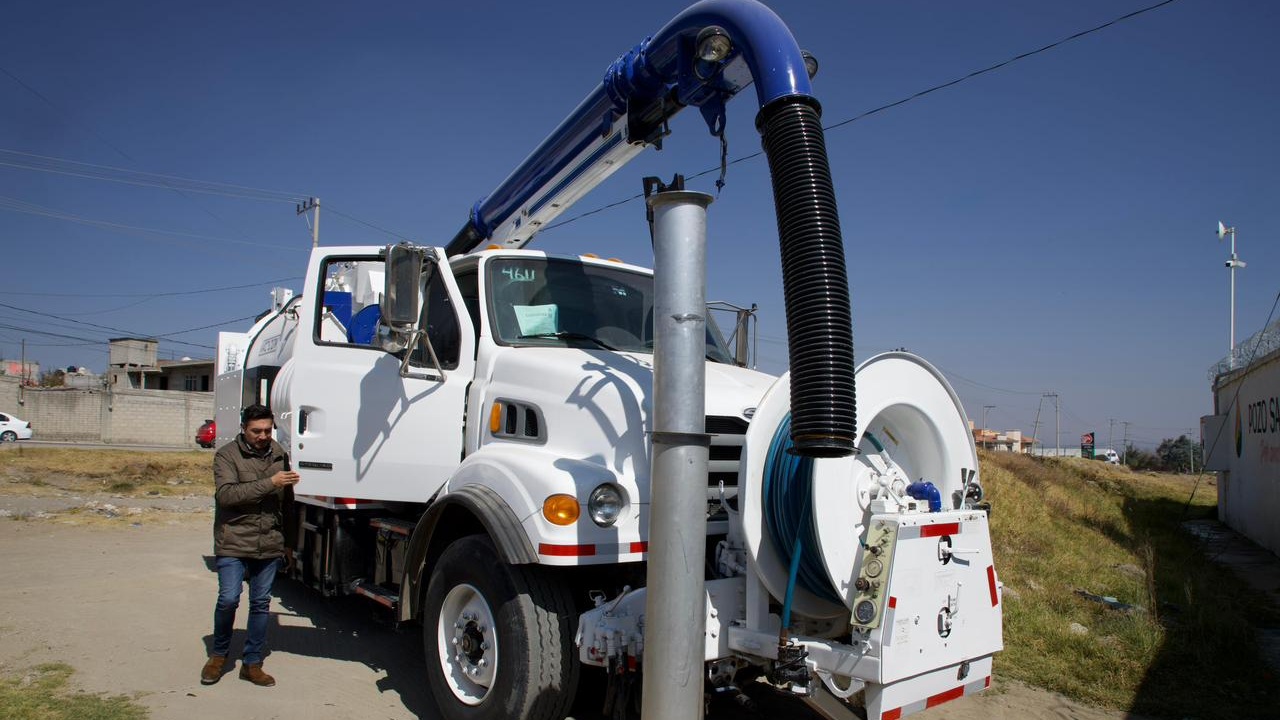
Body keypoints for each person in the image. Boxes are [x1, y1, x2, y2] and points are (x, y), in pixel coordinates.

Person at [200, 404, 299, 687]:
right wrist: (270, 482)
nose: (263, 436)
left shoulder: (280, 454)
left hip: (269, 542)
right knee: (229, 599)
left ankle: (252, 663)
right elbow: (227, 495)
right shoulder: (226, 455)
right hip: (233, 541)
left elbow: (288, 504)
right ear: (244, 429)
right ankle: (218, 656)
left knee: (260, 604)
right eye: (257, 431)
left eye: (268, 430)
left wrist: (289, 544)